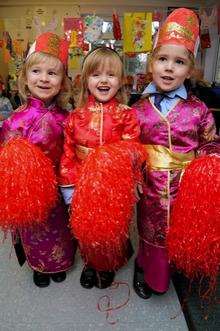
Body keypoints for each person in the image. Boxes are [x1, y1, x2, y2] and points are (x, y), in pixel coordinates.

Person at [132, 8, 218, 299]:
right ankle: (149, 271)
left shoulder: (199, 110)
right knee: (152, 233)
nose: (169, 68)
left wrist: (210, 162)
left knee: (182, 232)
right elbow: (130, 148)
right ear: (152, 64)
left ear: (190, 70)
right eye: (163, 59)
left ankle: (179, 265)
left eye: (179, 62)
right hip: (150, 187)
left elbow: (209, 144)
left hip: (186, 189)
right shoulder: (138, 110)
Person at [59, 47, 140, 289]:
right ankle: (89, 263)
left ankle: (108, 265)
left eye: (111, 75)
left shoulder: (127, 115)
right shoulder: (75, 117)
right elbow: (68, 154)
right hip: (84, 185)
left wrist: (127, 175)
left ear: (121, 81)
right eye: (96, 75)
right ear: (85, 81)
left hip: (114, 187)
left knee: (113, 230)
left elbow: (135, 150)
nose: (104, 80)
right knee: (86, 229)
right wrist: (69, 188)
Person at [0, 32, 77, 287]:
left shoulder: (68, 119)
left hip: (60, 188)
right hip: (29, 192)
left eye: (52, 73)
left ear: (62, 82)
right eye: (36, 71)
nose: (43, 78)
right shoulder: (15, 121)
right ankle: (39, 267)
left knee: (61, 228)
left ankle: (60, 263)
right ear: (25, 76)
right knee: (34, 230)